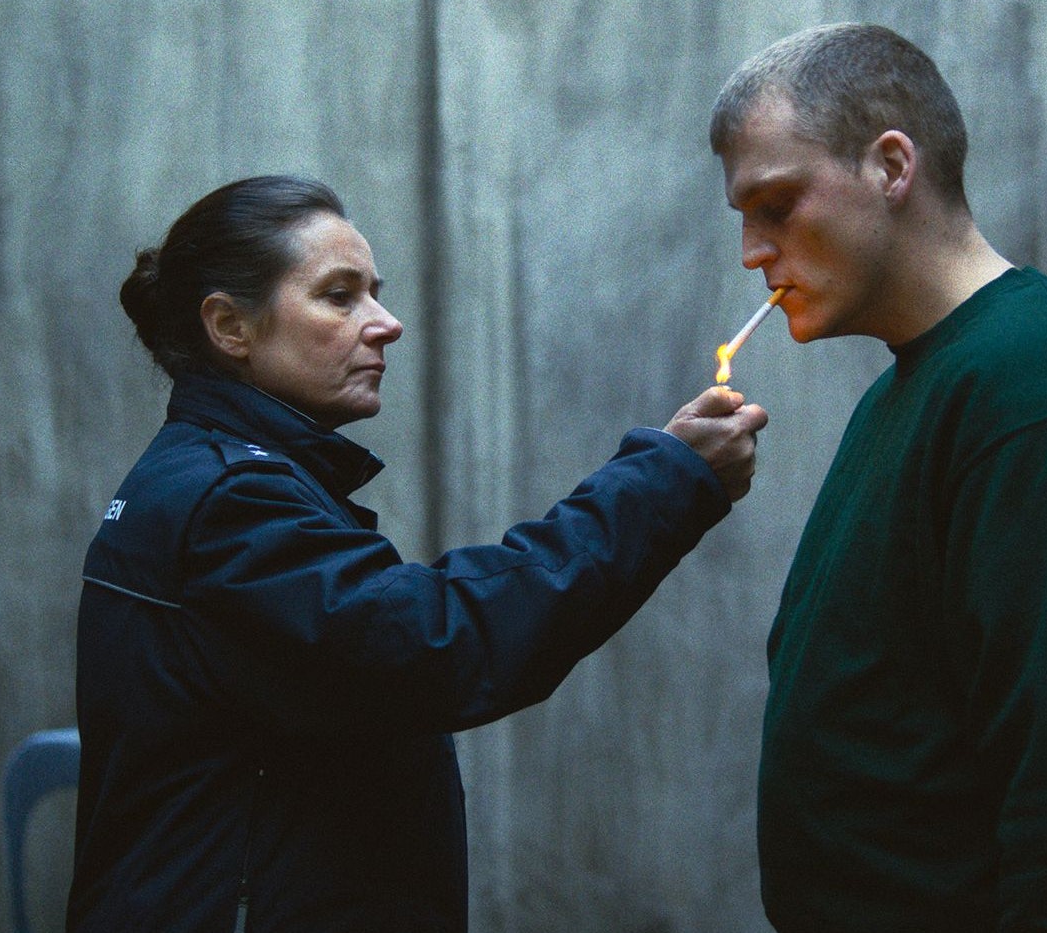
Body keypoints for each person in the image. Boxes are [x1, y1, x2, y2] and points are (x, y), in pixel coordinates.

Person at [65, 174, 767, 932]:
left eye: (375, 293)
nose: (387, 323)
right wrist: (667, 484)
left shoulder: (203, 474)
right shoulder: (230, 501)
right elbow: (441, 642)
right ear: (230, 326)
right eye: (340, 296)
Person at [709, 23, 1047, 931]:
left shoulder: (1042, 393)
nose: (751, 251)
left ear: (892, 166)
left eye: (776, 204)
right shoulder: (920, 387)